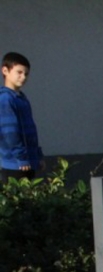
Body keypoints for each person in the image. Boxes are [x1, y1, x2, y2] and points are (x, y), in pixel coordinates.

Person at [0, 51, 43, 183]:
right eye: (19, 72)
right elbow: (10, 133)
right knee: (18, 195)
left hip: (27, 162)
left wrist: (37, 156)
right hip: (15, 164)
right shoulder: (5, 99)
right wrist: (21, 157)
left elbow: (30, 131)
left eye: (26, 74)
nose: (23, 77)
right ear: (5, 71)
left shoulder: (21, 98)